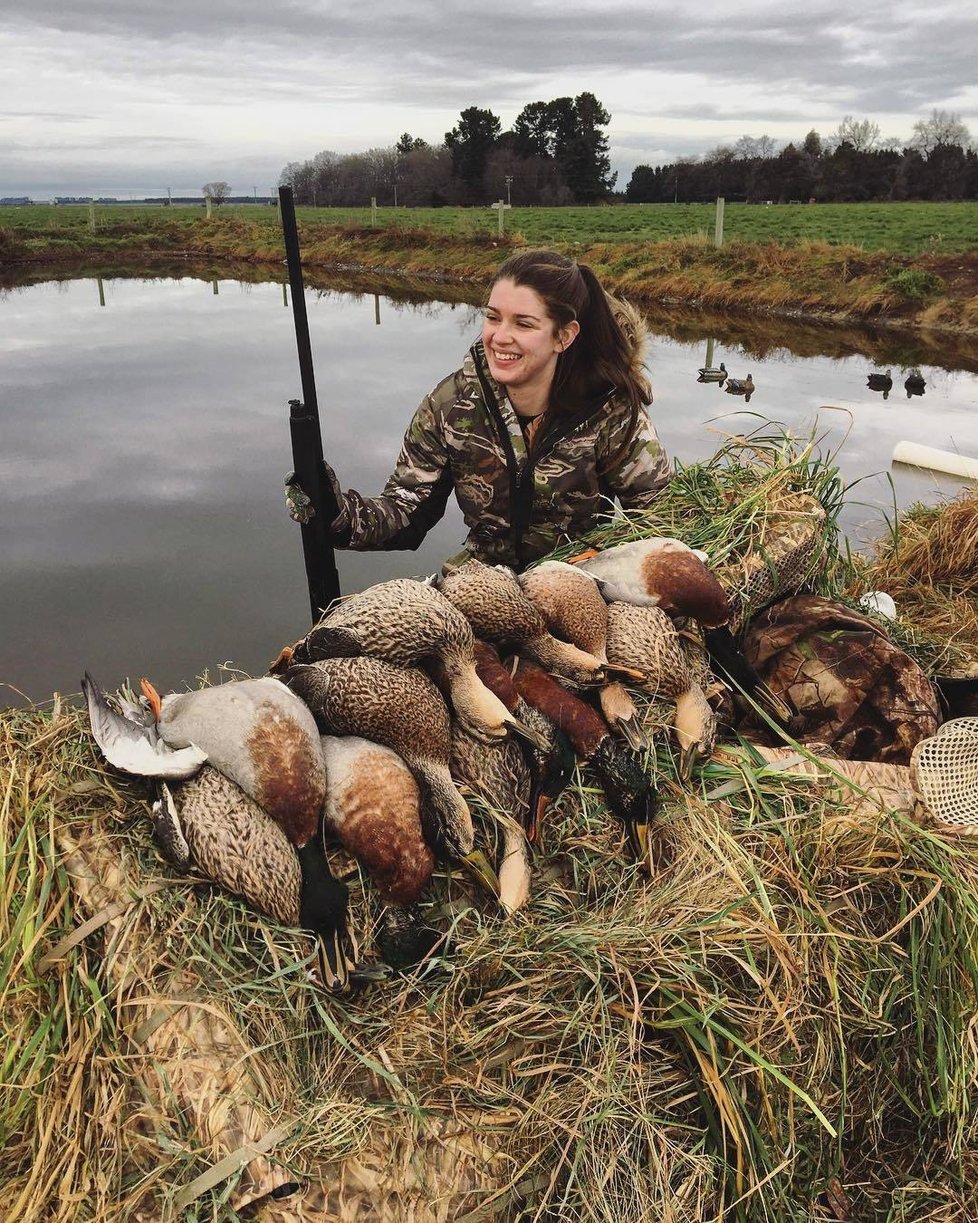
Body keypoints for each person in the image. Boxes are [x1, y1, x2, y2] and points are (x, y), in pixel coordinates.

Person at [299, 248, 671, 572]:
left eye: (523, 323)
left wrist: (599, 564)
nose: (499, 336)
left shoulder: (611, 408)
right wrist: (337, 515)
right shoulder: (450, 403)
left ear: (564, 335)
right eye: (493, 317)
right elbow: (406, 513)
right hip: (481, 582)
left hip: (585, 580)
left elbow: (659, 519)